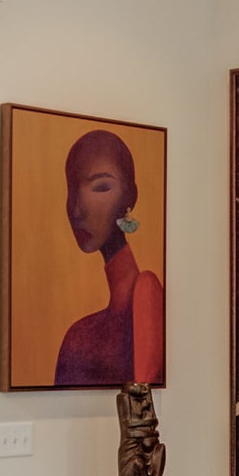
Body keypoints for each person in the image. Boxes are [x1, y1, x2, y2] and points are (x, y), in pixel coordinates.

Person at [54, 129, 164, 388]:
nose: (77, 209)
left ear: (130, 197)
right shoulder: (78, 336)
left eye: (101, 187)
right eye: (72, 190)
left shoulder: (146, 291)